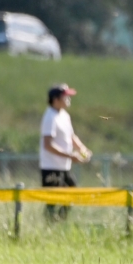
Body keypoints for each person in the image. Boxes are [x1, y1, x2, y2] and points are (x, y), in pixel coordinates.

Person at [39, 83, 92, 221]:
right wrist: (70, 156)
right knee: (53, 201)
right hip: (51, 168)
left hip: (64, 167)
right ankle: (50, 224)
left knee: (73, 195)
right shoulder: (50, 117)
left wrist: (82, 149)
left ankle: (59, 222)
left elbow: (71, 136)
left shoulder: (64, 115)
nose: (68, 99)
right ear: (56, 99)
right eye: (65, 97)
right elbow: (48, 145)